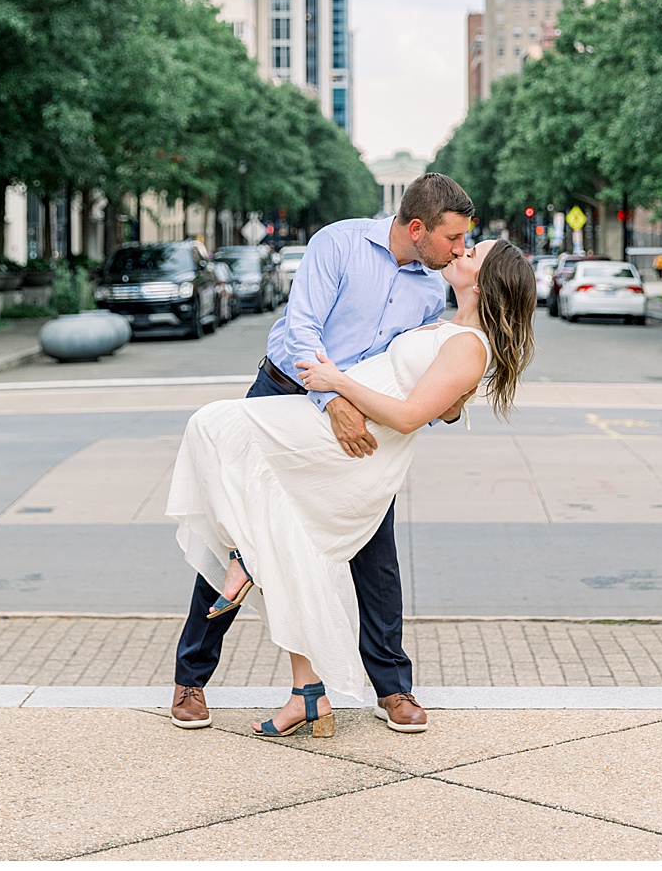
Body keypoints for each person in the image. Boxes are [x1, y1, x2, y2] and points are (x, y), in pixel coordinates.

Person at [165, 231, 536, 737]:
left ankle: (383, 685)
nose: (458, 250)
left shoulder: (444, 311)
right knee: (269, 519)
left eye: (469, 250)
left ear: (487, 281)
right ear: (418, 227)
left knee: (358, 559)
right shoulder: (344, 247)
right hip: (300, 396)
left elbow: (420, 407)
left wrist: (340, 384)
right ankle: (264, 675)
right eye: (455, 239)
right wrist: (337, 395)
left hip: (359, 440)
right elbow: (305, 327)